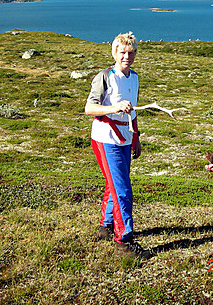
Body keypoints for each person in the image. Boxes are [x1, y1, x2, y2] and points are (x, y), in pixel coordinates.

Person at [85, 32, 151, 259]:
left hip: (124, 137)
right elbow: (89, 109)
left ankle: (106, 226)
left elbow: (132, 110)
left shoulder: (134, 78)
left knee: (115, 184)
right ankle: (123, 243)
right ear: (115, 52)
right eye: (122, 52)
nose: (127, 56)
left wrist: (136, 136)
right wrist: (114, 108)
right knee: (122, 189)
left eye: (131, 52)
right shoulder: (104, 77)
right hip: (105, 138)